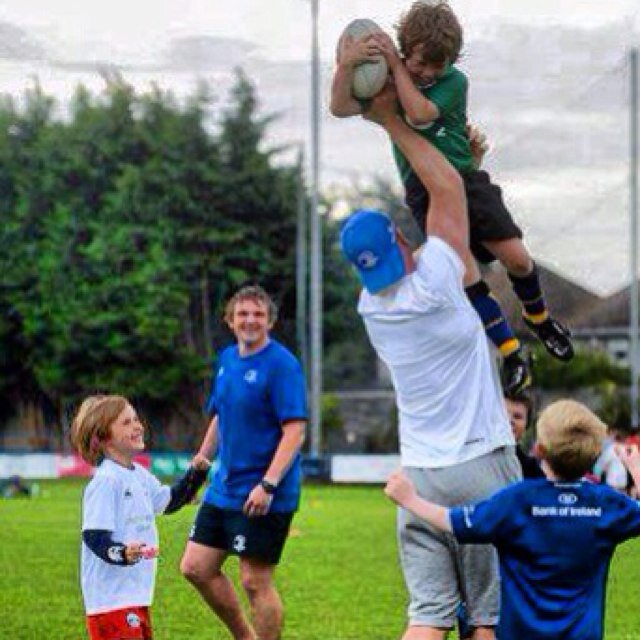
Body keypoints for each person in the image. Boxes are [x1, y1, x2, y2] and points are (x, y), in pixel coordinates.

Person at [340, 85, 520, 640]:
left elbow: (444, 198)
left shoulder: (372, 306)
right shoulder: (440, 276)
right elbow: (446, 189)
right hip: (479, 466)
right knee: (487, 620)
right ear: (399, 236)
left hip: (416, 476)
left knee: (427, 617)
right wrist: (392, 121)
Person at [330, 1, 574, 394]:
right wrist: (346, 65)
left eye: (436, 67)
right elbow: (340, 106)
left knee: (517, 257)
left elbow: (421, 114)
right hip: (423, 189)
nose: (427, 73)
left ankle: (540, 318)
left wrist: (396, 68)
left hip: (466, 178)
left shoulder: (453, 83)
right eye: (420, 64)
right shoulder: (391, 80)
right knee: (464, 274)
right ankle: (511, 353)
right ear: (406, 49)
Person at [386, 399, 640, 640]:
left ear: (539, 450)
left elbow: (455, 522)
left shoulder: (517, 500)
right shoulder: (607, 505)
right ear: (594, 456)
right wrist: (636, 467)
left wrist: (410, 500)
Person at [180, 285, 307, 640]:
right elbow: (220, 416)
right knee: (195, 567)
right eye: (243, 314)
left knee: (255, 580)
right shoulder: (227, 359)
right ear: (230, 320)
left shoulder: (283, 366)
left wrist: (268, 484)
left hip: (265, 493)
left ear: (270, 321)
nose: (250, 320)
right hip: (224, 488)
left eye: (258, 314)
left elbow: (295, 431)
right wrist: (200, 467)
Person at [70, 394, 210, 640]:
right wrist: (120, 553)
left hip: (136, 595)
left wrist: (195, 475)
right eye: (126, 422)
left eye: (136, 419)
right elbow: (93, 536)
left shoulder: (139, 475)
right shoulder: (105, 481)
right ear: (102, 437)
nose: (138, 426)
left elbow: (169, 501)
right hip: (111, 601)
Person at [505, 391, 545, 479]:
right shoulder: (473, 459)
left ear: (526, 425)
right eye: (504, 415)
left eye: (517, 417)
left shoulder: (532, 470)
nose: (510, 421)